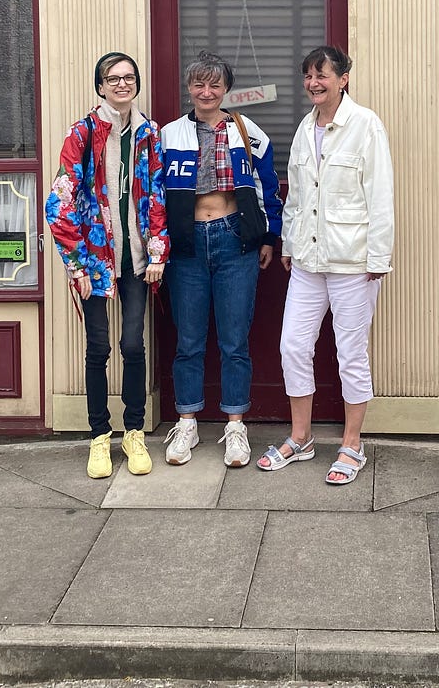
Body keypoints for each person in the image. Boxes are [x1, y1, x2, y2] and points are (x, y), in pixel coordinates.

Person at [258, 45, 394, 485]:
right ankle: (301, 438)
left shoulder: (366, 125)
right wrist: (288, 243)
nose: (314, 83)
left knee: (350, 353)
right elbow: (295, 196)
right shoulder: (303, 128)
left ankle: (352, 444)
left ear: (343, 79)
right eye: (308, 76)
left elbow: (380, 195)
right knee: (293, 346)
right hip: (308, 261)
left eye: (323, 75)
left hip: (353, 261)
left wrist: (379, 257)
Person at [46, 52, 169, 480]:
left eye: (128, 77)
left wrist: (156, 252)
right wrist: (76, 264)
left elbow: (157, 195)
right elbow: (60, 202)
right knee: (97, 349)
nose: (121, 84)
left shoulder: (149, 132)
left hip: (135, 260)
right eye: (112, 78)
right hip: (94, 261)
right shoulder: (82, 133)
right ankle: (99, 437)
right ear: (99, 86)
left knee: (133, 346)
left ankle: (134, 432)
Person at [158, 53, 283, 468]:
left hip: (235, 239)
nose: (206, 93)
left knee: (234, 341)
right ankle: (187, 421)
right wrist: (157, 244)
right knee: (188, 340)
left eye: (214, 85)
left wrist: (269, 236)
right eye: (198, 85)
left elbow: (268, 187)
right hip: (186, 244)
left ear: (226, 89)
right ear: (189, 88)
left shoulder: (247, 131)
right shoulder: (168, 135)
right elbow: (153, 196)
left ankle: (235, 426)